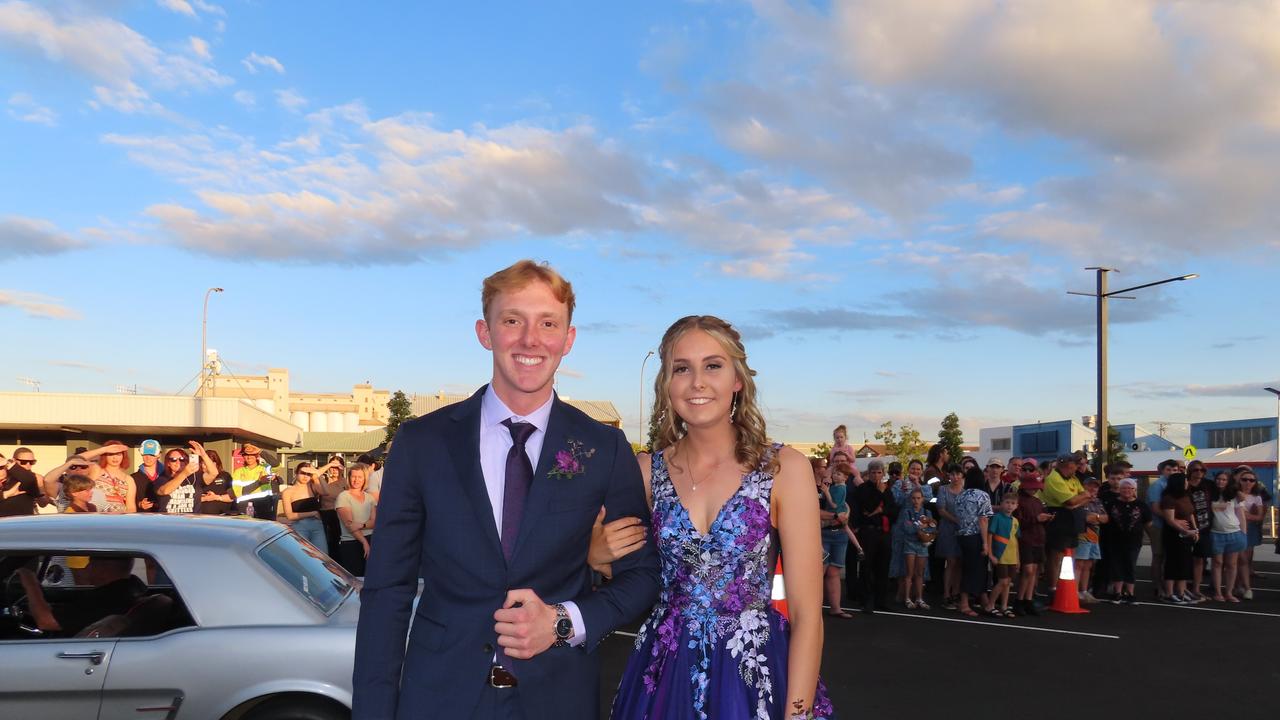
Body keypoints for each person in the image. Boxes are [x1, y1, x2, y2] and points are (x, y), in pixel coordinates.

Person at [353, 260, 661, 720]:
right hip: (440, 695)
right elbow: (387, 589)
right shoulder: (422, 442)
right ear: (485, 332)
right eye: (512, 320)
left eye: (548, 323)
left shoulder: (603, 447)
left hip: (558, 697)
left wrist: (562, 623)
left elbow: (644, 576)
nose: (530, 339)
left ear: (568, 339)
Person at [610, 314, 832, 719]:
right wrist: (595, 555)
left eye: (713, 365)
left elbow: (806, 615)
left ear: (737, 380)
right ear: (666, 384)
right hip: (663, 673)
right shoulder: (645, 471)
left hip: (754, 675)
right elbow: (623, 575)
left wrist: (797, 713)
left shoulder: (783, 468)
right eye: (682, 368)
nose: (697, 382)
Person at [1040, 455, 1089, 598]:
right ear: (1067, 464)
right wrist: (1077, 501)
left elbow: (1086, 497)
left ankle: (1066, 586)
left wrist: (1076, 502)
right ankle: (1053, 588)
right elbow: (1071, 500)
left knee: (1070, 554)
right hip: (1059, 519)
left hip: (1072, 519)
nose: (1078, 467)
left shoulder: (1073, 478)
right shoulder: (1054, 478)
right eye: (1076, 464)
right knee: (1056, 556)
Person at [852, 459, 896, 615]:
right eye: (873, 472)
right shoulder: (863, 489)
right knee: (866, 567)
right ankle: (866, 601)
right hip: (868, 532)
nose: (876, 475)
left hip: (884, 532)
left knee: (883, 567)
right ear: (868, 473)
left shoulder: (887, 490)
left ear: (883, 473)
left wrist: (880, 509)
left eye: (879, 472)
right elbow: (868, 507)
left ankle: (881, 600)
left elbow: (892, 510)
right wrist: (879, 496)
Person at [1102, 478, 1149, 604]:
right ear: (1120, 490)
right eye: (1124, 488)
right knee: (1117, 566)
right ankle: (1117, 592)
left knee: (1130, 565)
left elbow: (1147, 522)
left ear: (1134, 490)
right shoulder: (1111, 504)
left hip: (1134, 541)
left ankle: (1130, 593)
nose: (1127, 490)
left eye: (1130, 488)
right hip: (1114, 540)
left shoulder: (1141, 505)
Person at [955, 467, 993, 617]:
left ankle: (981, 598)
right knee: (975, 569)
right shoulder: (983, 496)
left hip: (962, 535)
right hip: (976, 535)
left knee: (969, 567)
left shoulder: (961, 496)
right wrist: (985, 543)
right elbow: (983, 519)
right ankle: (964, 603)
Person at [819, 462, 853, 618]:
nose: (832, 474)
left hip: (838, 533)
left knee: (834, 570)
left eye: (837, 473)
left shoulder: (838, 488)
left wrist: (843, 513)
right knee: (820, 570)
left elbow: (838, 507)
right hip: (824, 532)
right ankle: (812, 608)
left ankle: (835, 607)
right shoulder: (826, 487)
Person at [1013, 471, 1050, 615]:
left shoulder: (1036, 501)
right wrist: (1037, 519)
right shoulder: (1019, 501)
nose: (1035, 489)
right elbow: (1018, 523)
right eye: (1032, 486)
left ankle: (1028, 599)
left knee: (1034, 570)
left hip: (1038, 538)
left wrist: (1046, 519)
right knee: (1027, 570)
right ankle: (1019, 600)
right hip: (1026, 539)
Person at [1160, 473, 1198, 604]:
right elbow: (1170, 520)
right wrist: (1185, 531)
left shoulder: (1186, 496)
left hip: (1187, 534)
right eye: (1185, 481)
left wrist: (1195, 529)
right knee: (1173, 563)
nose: (1187, 482)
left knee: (1184, 563)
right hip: (1174, 535)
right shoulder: (1169, 498)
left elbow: (1191, 513)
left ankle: (1181, 592)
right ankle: (1169, 593)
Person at [1208, 471, 1246, 603]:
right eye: (1218, 479)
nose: (1220, 482)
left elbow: (1241, 514)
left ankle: (1229, 592)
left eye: (1224, 479)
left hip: (1234, 532)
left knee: (1232, 564)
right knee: (1217, 563)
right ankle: (1218, 592)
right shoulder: (1210, 494)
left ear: (1228, 481)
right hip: (1216, 533)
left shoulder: (1234, 495)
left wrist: (1243, 533)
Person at [894, 487, 934, 610]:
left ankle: (919, 598)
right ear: (910, 499)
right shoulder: (907, 512)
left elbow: (932, 529)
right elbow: (907, 529)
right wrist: (921, 527)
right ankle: (907, 598)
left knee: (920, 573)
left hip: (922, 545)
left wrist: (919, 527)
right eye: (913, 498)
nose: (916, 501)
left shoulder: (927, 512)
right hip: (910, 544)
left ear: (922, 499)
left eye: (918, 498)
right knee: (909, 573)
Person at [1146, 459, 1180, 599]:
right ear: (1161, 471)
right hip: (1159, 526)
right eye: (1168, 470)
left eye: (1175, 470)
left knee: (1170, 557)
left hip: (1172, 526)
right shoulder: (1157, 486)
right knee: (1158, 556)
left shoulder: (1175, 485)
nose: (1172, 472)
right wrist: (1171, 520)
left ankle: (1170, 587)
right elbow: (1155, 508)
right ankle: (1157, 586)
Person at [335, 463, 377, 576]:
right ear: (349, 478)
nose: (356, 480)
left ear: (364, 479)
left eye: (360, 477)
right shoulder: (343, 496)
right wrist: (364, 542)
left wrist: (362, 525)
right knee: (355, 579)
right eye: (353, 476)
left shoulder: (370, 498)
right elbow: (350, 525)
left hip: (371, 540)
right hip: (351, 543)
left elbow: (374, 522)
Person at [1073, 477, 1107, 604]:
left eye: (1095, 486)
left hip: (1094, 536)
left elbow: (1105, 518)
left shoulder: (1097, 501)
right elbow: (1085, 518)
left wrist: (1096, 517)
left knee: (1088, 564)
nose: (1093, 489)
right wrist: (1097, 517)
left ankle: (1084, 591)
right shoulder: (1080, 500)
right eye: (1089, 486)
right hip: (1082, 534)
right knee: (1079, 563)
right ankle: (1074, 591)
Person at [1184, 461, 1214, 602]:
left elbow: (1226, 490)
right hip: (1186, 526)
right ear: (1190, 471)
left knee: (1200, 559)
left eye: (1202, 470)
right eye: (1196, 470)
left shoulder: (1208, 484)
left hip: (1204, 526)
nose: (1199, 472)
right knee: (1183, 558)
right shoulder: (1185, 484)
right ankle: (1182, 588)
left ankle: (1196, 589)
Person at [282, 463, 328, 550]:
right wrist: (312, 513)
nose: (305, 476)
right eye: (303, 473)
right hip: (299, 526)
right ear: (296, 472)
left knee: (322, 555)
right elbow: (290, 515)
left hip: (317, 526)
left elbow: (326, 492)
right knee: (304, 554)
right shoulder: (288, 492)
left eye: (308, 474)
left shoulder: (312, 486)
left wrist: (317, 474)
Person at [989, 492, 1020, 618]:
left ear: (1016, 506)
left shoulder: (1015, 521)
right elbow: (990, 535)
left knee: (1007, 582)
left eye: (1013, 503)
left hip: (1012, 556)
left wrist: (1018, 559)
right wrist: (991, 554)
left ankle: (1004, 606)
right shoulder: (997, 518)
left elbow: (1016, 540)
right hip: (1001, 555)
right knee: (1002, 582)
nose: (1009, 506)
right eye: (1007, 502)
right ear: (1001, 504)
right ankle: (990, 605)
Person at [1236, 468, 1265, 600]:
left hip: (1249, 529)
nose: (1248, 482)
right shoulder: (1234, 494)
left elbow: (1259, 517)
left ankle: (1243, 586)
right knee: (1236, 560)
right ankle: (1240, 586)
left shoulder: (1256, 497)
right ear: (1239, 480)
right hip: (1234, 528)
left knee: (1245, 560)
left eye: (1251, 480)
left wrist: (1244, 515)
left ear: (1255, 482)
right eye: (1245, 479)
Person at [94, 440, 138, 514]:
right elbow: (78, 459)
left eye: (118, 454)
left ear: (123, 456)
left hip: (119, 521)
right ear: (104, 456)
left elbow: (131, 507)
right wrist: (103, 449)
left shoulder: (128, 479)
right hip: (97, 518)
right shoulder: (96, 471)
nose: (115, 458)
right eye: (111, 454)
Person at [195, 447, 236, 515]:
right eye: (203, 463)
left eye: (208, 463)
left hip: (221, 516)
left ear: (216, 463)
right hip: (200, 516)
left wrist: (216, 497)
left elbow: (232, 497)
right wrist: (205, 498)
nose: (205, 466)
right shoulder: (197, 477)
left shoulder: (225, 476)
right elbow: (189, 499)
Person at [130, 439, 162, 512]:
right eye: (145, 454)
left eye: (152, 455)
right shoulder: (133, 478)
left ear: (159, 455)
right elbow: (126, 501)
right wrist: (139, 504)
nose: (148, 457)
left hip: (164, 519)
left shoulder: (167, 476)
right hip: (142, 520)